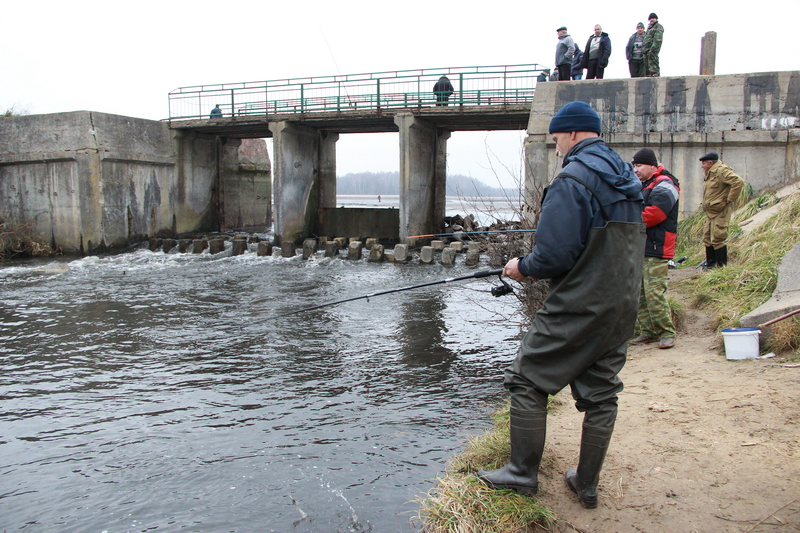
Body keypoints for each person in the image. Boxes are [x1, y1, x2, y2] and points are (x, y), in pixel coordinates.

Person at [477, 101, 645, 509]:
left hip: (579, 303)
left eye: (556, 139)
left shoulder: (573, 180)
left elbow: (555, 257)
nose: (555, 148)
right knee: (601, 395)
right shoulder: (627, 178)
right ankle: (586, 484)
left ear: (571, 134)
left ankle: (520, 473)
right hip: (622, 303)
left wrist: (521, 266)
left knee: (527, 380)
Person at [629, 148, 679, 349]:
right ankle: (648, 331)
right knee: (639, 292)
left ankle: (667, 332)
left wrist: (629, 222)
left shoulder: (666, 183)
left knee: (653, 292)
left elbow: (656, 213)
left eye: (639, 165)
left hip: (657, 247)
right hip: (642, 246)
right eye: (634, 166)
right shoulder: (646, 185)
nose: (635, 170)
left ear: (652, 165)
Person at [700, 152, 744, 268]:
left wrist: (729, 200)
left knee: (718, 237)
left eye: (704, 163)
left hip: (720, 211)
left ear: (711, 163)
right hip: (711, 212)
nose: (702, 166)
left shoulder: (721, 171)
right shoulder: (710, 173)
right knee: (707, 237)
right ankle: (710, 264)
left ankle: (721, 267)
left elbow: (738, 182)